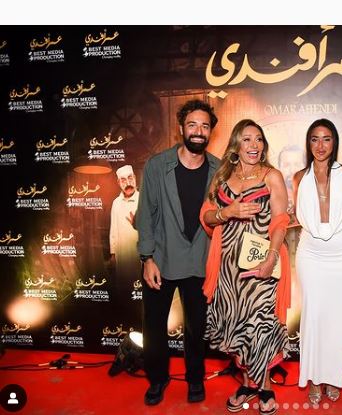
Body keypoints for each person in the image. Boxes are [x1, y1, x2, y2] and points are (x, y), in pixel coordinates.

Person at [199, 119, 291, 415]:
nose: (254, 145)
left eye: (259, 139)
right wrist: (227, 211)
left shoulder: (271, 176)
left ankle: (265, 387)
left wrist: (271, 258)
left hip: (260, 265)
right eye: (247, 139)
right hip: (228, 269)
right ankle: (249, 384)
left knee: (259, 325)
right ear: (236, 145)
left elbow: (280, 222)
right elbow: (207, 216)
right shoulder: (222, 176)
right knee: (237, 325)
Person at [135, 99, 220, 406]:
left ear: (210, 132)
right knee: (154, 327)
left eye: (205, 126)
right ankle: (158, 379)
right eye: (192, 124)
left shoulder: (219, 169)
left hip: (200, 260)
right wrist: (147, 258)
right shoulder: (157, 166)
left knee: (197, 328)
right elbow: (146, 215)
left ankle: (195, 378)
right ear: (181, 128)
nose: (198, 131)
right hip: (162, 258)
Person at [291, 119, 342, 405]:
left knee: (339, 320)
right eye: (315, 139)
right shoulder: (298, 177)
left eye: (326, 139)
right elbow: (297, 215)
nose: (320, 145)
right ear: (308, 143)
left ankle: (332, 377)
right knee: (314, 317)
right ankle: (315, 379)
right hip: (312, 254)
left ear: (334, 142)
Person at [109, 165, 140, 279]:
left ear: (135, 178)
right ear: (118, 183)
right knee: (124, 282)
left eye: (130, 178)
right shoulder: (116, 203)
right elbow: (113, 230)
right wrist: (113, 254)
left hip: (139, 255)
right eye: (123, 180)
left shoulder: (144, 200)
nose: (128, 183)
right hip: (121, 254)